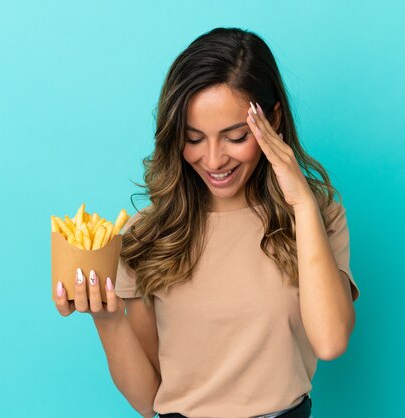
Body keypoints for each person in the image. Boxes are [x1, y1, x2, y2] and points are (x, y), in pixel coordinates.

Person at [55, 27, 360, 418]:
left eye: (234, 136)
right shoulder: (149, 233)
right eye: (193, 138)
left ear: (274, 119)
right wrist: (107, 318)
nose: (213, 161)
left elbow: (331, 341)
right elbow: (151, 400)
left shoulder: (318, 215)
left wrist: (301, 201)